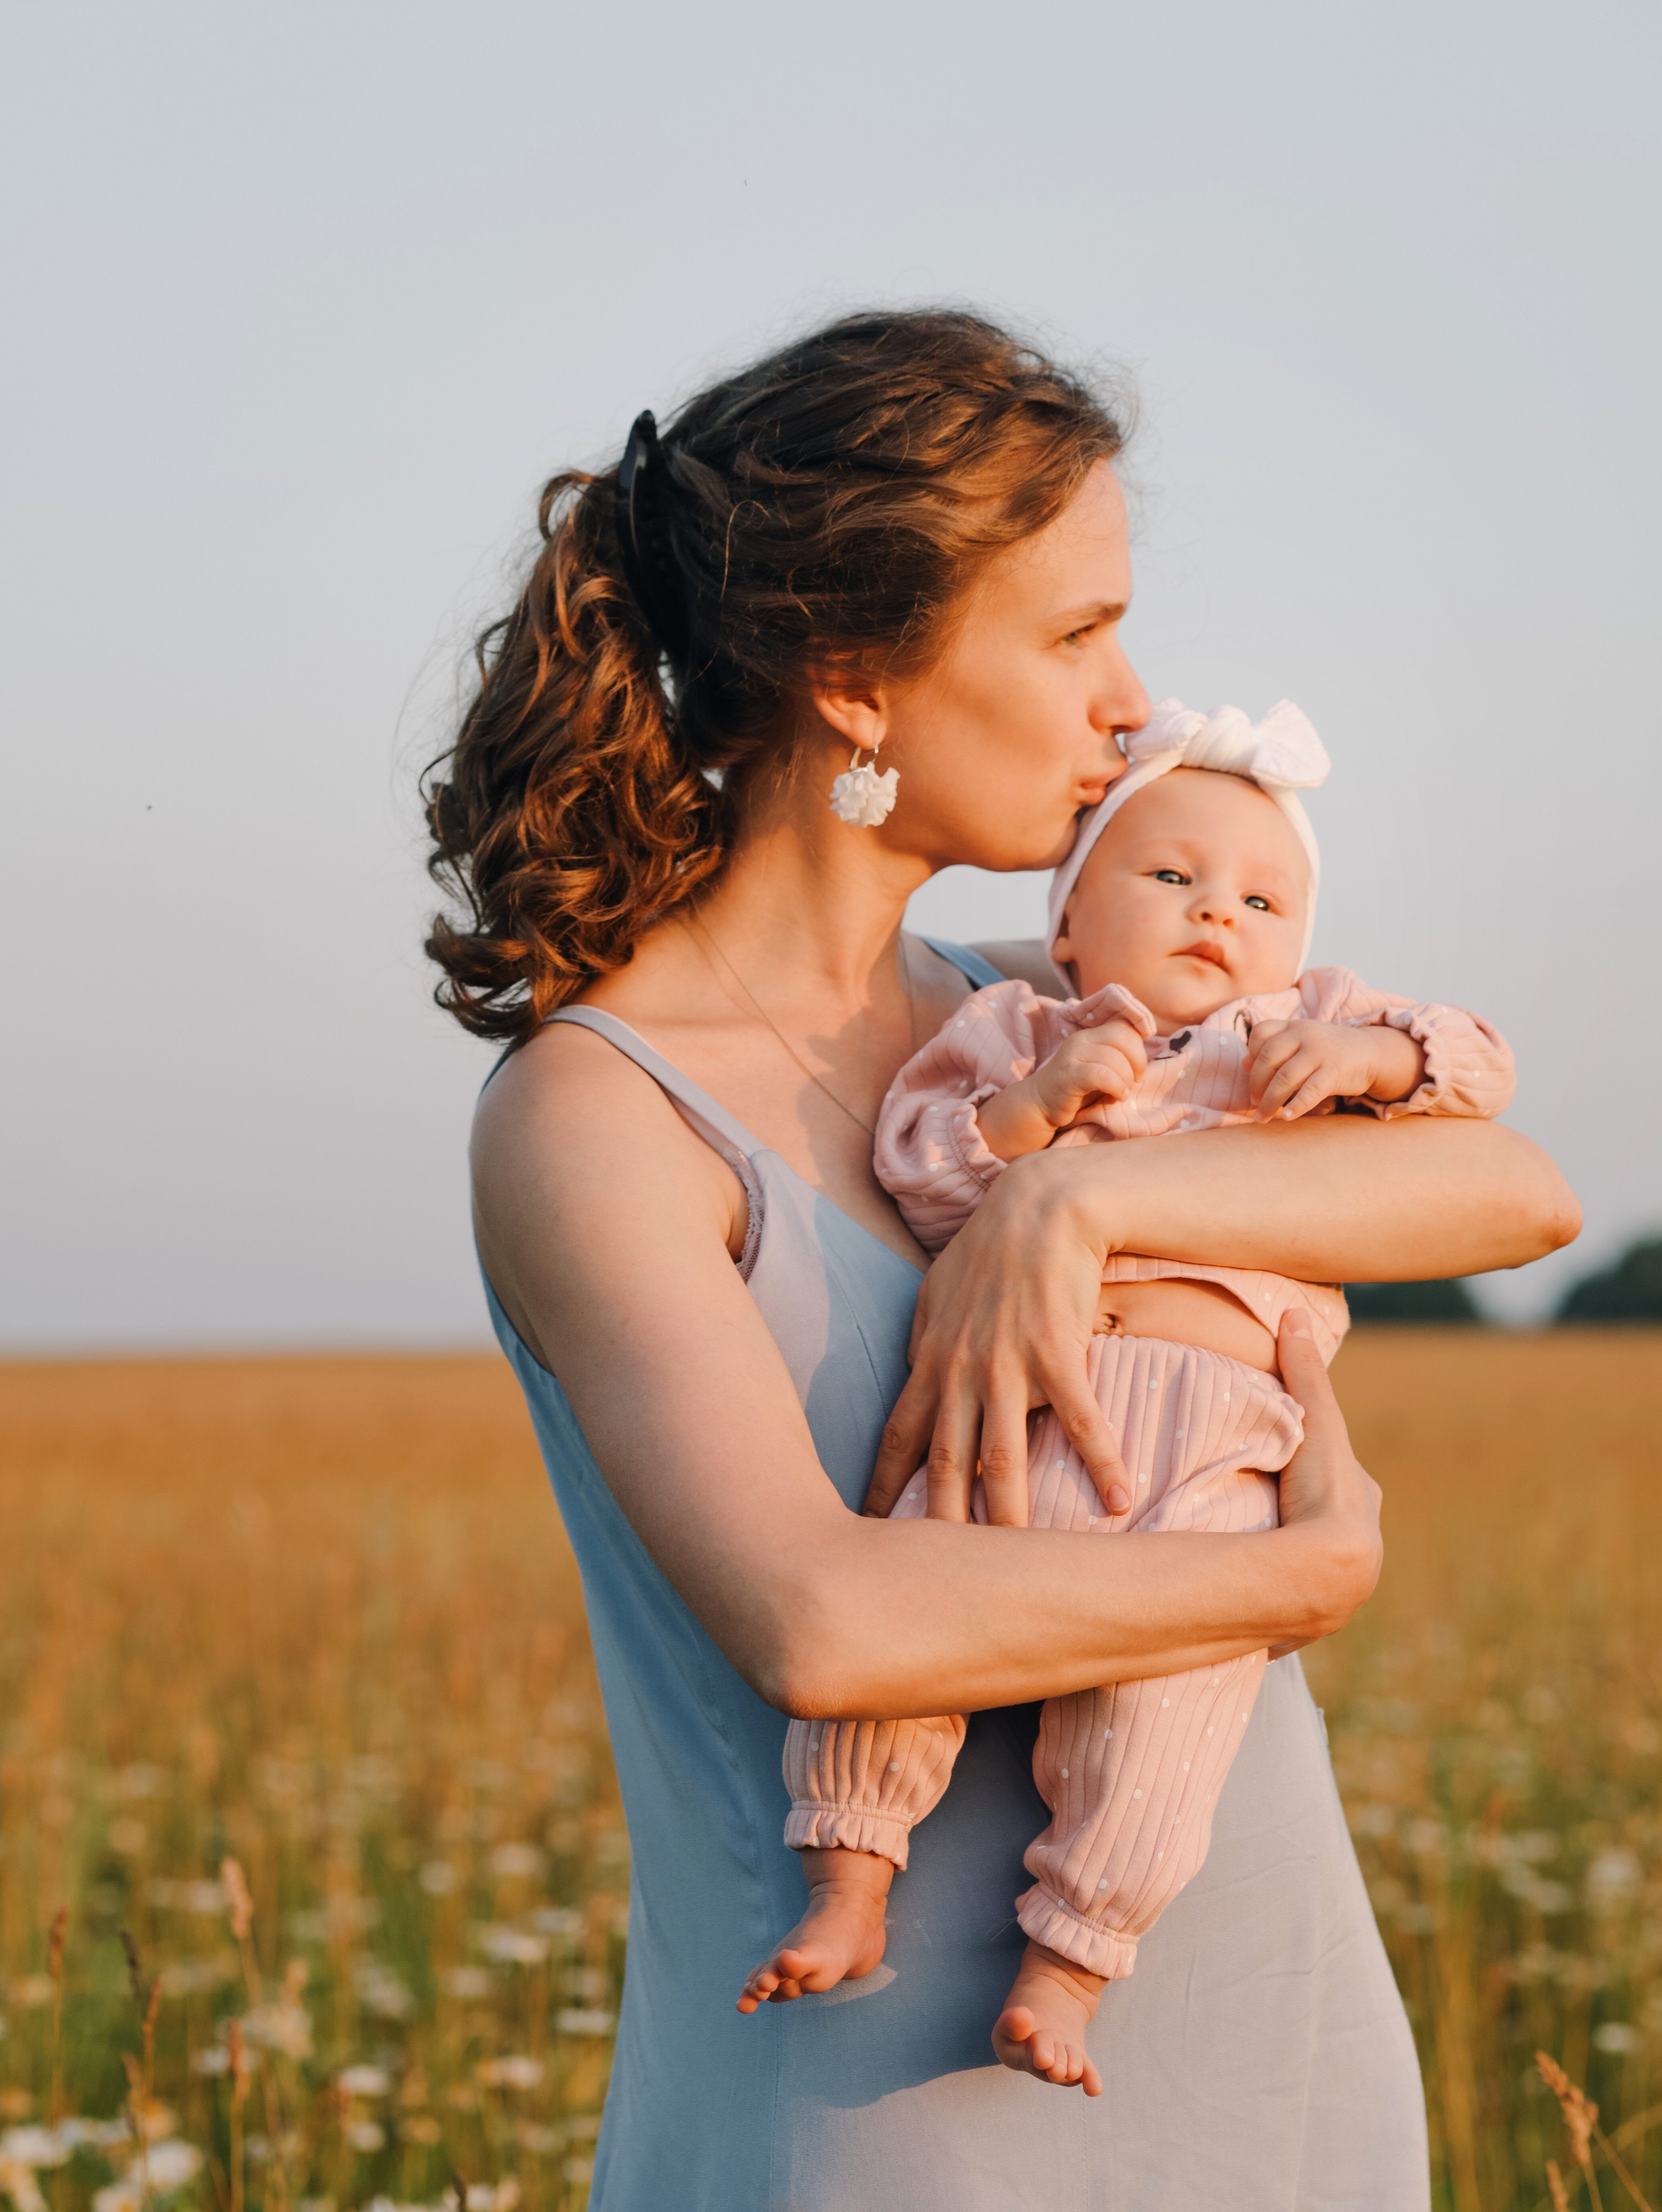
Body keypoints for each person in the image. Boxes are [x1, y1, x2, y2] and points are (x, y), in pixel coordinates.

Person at [424, 310, 1579, 2210]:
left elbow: (1513, 1187)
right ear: (856, 673)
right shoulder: (594, 1116)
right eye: (1072, 634)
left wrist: (1087, 1201)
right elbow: (825, 1621)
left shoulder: (1043, 1017)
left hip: (1262, 2039)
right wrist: (1305, 1573)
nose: (1132, 702)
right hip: (894, 2119)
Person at [747, 697, 1515, 2093]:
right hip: (1018, 1416)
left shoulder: (1300, 1035)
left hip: (1216, 1442)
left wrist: (1375, 1061)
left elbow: (1474, 1065)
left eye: (1261, 897)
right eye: (1168, 878)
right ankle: (849, 1882)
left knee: (1164, 1725)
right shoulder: (1011, 1025)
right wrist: (1031, 1112)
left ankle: (1069, 1964)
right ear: (1069, 923)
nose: (1217, 913)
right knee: (909, 1626)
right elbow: (922, 1172)